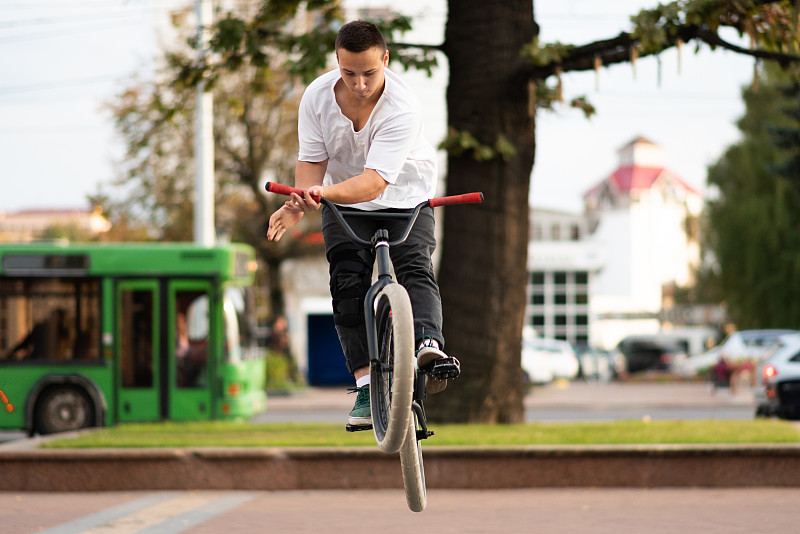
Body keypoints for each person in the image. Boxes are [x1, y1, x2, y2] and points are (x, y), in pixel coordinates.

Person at [267, 20, 455, 426]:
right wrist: (299, 202)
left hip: (404, 196)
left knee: (415, 269)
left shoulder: (402, 107)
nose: (359, 84)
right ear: (337, 62)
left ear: (385, 60)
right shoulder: (316, 98)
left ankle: (428, 346)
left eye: (369, 73)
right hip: (343, 201)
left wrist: (322, 195)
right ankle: (367, 386)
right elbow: (311, 162)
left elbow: (372, 184)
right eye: (349, 73)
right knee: (346, 282)